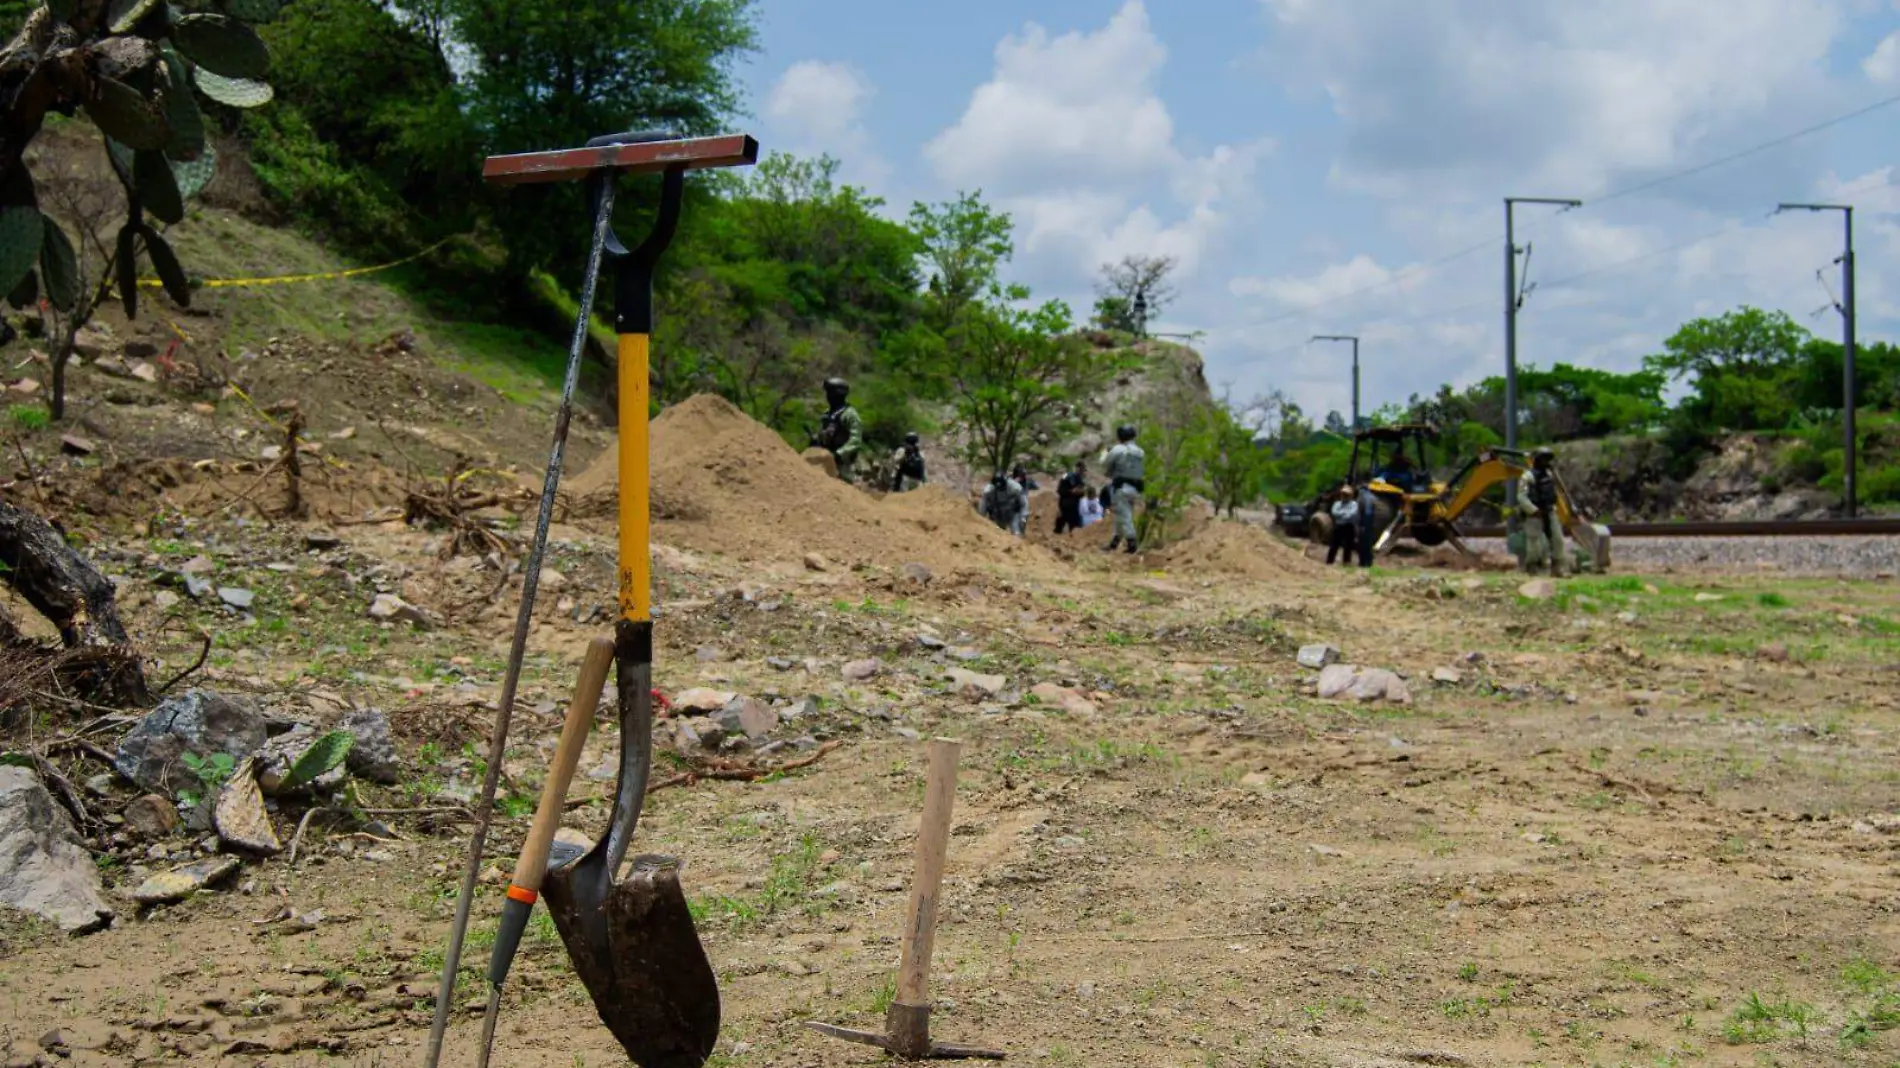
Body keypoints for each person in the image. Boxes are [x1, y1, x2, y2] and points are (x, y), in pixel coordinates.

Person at [1517, 446, 1566, 577]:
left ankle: (1557, 568)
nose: (1546, 462)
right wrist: (1533, 510)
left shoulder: (1549, 474)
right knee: (1534, 543)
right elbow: (1521, 496)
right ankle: (1532, 568)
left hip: (1549, 510)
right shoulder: (1527, 476)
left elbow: (1555, 491)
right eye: (1543, 459)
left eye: (1547, 459)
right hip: (1534, 513)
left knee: (1558, 539)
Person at [809, 377, 863, 484]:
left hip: (844, 466)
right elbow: (825, 433)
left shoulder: (850, 415)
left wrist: (838, 454)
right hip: (825, 460)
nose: (827, 396)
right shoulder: (828, 414)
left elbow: (856, 441)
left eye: (830, 393)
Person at [1102, 424, 1145, 553]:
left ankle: (1132, 544)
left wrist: (1105, 453)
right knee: (1123, 515)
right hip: (1136, 488)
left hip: (1121, 487)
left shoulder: (1117, 450)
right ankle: (1114, 543)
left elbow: (1105, 466)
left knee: (1124, 516)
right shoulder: (1140, 452)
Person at [1325, 484, 1360, 566]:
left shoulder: (1354, 504)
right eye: (1343, 494)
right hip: (1339, 526)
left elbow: (1352, 514)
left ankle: (1346, 562)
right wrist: (1345, 514)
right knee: (1334, 544)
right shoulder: (1337, 503)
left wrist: (1342, 515)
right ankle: (1329, 561)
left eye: (1346, 494)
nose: (1344, 496)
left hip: (1349, 526)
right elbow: (1334, 513)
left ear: (1350, 495)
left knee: (1348, 545)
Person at [1055, 460, 1089, 534]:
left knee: (1074, 529)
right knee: (1058, 528)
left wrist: (1081, 492)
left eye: (1083, 470)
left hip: (1075, 507)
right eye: (1080, 469)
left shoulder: (1081, 480)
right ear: (1076, 468)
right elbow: (1060, 490)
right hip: (1064, 505)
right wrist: (1071, 491)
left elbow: (1082, 493)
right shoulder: (1067, 476)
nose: (1081, 471)